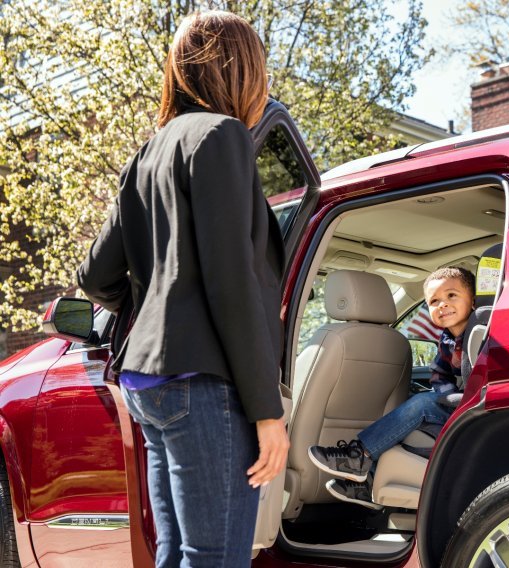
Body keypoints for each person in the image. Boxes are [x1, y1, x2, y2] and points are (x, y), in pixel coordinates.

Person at [76, 11, 289, 567]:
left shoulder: (146, 155)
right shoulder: (223, 136)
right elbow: (231, 283)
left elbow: (95, 275)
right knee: (214, 558)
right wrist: (268, 413)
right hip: (205, 387)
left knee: (177, 554)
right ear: (241, 70)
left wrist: (156, 306)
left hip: (149, 386)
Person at [308, 267, 475, 508]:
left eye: (452, 296)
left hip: (475, 413)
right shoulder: (446, 339)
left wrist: (451, 400)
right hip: (459, 409)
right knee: (406, 411)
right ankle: (368, 484)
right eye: (434, 301)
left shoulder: (481, 332)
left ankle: (358, 456)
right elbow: (439, 375)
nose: (442, 305)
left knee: (422, 403)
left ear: (472, 300)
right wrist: (447, 396)